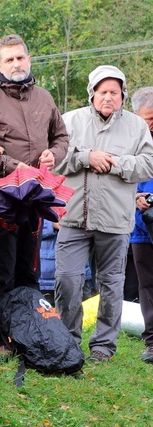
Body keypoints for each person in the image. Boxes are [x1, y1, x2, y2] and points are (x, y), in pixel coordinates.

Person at [0, 34, 69, 356]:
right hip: (2, 198)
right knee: (3, 270)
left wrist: (54, 154)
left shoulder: (44, 97)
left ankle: (28, 333)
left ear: (28, 59)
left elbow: (62, 136)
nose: (16, 64)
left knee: (30, 269)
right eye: (9, 59)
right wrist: (15, 166)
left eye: (20, 58)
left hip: (36, 197)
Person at [54, 69, 153, 363]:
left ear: (122, 95)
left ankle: (103, 347)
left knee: (111, 285)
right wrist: (87, 157)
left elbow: (148, 165)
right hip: (73, 217)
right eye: (102, 91)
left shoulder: (137, 127)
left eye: (114, 92)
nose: (108, 97)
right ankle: (68, 340)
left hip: (115, 221)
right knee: (68, 280)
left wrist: (115, 163)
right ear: (92, 94)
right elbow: (55, 159)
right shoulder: (70, 120)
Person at [131, 86, 153, 363]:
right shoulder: (129, 139)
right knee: (147, 285)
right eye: (147, 119)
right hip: (140, 227)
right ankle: (151, 344)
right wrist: (134, 196)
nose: (151, 125)